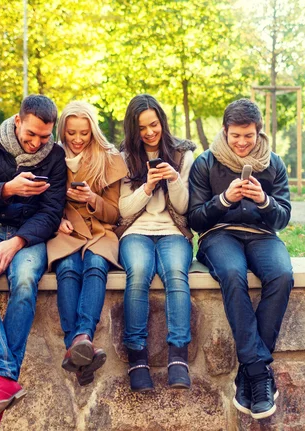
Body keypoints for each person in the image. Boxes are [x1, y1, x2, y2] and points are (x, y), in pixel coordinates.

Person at [0, 94, 67, 430]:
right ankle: (3, 379)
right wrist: (7, 189)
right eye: (31, 134)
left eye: (45, 137)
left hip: (29, 236)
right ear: (18, 121)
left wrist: (19, 241)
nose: (37, 143)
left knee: (24, 282)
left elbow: (51, 213)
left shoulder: (55, 157)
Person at [188, 99, 293, 420]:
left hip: (262, 234)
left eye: (248, 136)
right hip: (219, 235)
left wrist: (263, 200)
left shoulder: (273, 163)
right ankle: (260, 374)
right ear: (225, 131)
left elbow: (283, 217)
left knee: (282, 275)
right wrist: (223, 200)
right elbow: (195, 219)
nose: (242, 142)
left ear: (258, 133)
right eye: (235, 135)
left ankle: (249, 372)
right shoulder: (205, 163)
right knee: (232, 273)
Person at [117, 94, 195, 392]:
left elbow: (185, 207)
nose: (149, 132)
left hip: (173, 232)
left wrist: (174, 179)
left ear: (162, 122)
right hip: (135, 230)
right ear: (132, 130)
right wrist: (147, 186)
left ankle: (178, 357)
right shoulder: (124, 157)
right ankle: (137, 358)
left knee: (176, 273)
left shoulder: (183, 154)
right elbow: (124, 210)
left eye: (154, 125)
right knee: (138, 273)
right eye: (141, 128)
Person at [46, 101, 128, 386]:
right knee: (68, 267)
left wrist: (93, 199)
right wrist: (57, 215)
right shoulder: (52, 156)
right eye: (71, 133)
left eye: (84, 133)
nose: (78, 139)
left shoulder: (109, 158)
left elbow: (115, 213)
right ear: (62, 131)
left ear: (93, 131)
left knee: (94, 264)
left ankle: (80, 340)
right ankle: (81, 346)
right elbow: (40, 200)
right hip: (65, 230)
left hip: (99, 231)